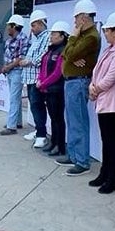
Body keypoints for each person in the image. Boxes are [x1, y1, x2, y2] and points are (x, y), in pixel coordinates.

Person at [87, 11, 115, 193]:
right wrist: (93, 86)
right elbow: (97, 72)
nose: (105, 33)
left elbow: (110, 78)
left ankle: (112, 178)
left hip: (114, 104)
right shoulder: (110, 49)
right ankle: (104, 173)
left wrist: (95, 88)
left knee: (111, 141)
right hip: (103, 100)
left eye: (107, 30)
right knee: (106, 140)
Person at [58, 0, 101, 176]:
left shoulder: (91, 37)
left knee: (79, 122)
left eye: (76, 19)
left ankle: (82, 161)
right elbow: (65, 54)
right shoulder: (84, 36)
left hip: (78, 82)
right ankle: (74, 155)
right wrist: (71, 52)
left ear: (83, 18)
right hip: (72, 81)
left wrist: (73, 38)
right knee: (72, 120)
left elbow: (70, 53)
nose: (74, 23)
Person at [38, 20, 70, 157]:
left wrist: (44, 83)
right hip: (48, 89)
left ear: (62, 36)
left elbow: (58, 73)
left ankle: (60, 145)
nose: (51, 36)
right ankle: (54, 142)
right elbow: (43, 67)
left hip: (57, 90)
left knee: (58, 118)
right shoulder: (51, 50)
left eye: (54, 34)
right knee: (53, 118)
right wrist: (40, 80)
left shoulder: (63, 50)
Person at [21, 9, 51, 148]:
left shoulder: (47, 37)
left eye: (33, 26)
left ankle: (41, 135)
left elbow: (44, 56)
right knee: (34, 106)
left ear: (40, 23)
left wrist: (29, 61)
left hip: (37, 79)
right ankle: (39, 130)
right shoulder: (38, 39)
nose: (31, 29)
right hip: (30, 79)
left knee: (38, 106)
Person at [0, 15, 29, 135]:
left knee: (14, 98)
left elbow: (20, 58)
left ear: (14, 27)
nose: (7, 28)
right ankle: (17, 122)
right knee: (15, 97)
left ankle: (11, 126)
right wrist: (6, 67)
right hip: (10, 71)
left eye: (9, 26)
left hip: (17, 71)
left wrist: (8, 67)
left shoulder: (22, 39)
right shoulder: (10, 40)